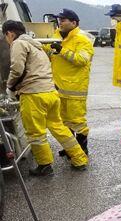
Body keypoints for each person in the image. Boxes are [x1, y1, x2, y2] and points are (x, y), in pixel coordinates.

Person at [3, 20, 88, 176]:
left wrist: (10, 87)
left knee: (36, 134)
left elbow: (17, 69)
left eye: (6, 37)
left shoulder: (18, 44)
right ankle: (79, 159)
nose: (7, 40)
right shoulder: (36, 45)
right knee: (59, 127)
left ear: (10, 33)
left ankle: (45, 165)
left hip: (33, 95)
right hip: (50, 93)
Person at [49, 9, 94, 156]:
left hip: (75, 88)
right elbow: (47, 53)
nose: (60, 22)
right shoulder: (55, 36)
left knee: (77, 121)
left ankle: (82, 149)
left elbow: (82, 60)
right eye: (59, 19)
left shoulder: (83, 39)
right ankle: (70, 148)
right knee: (63, 120)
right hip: (58, 87)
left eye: (63, 20)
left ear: (74, 23)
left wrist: (62, 50)